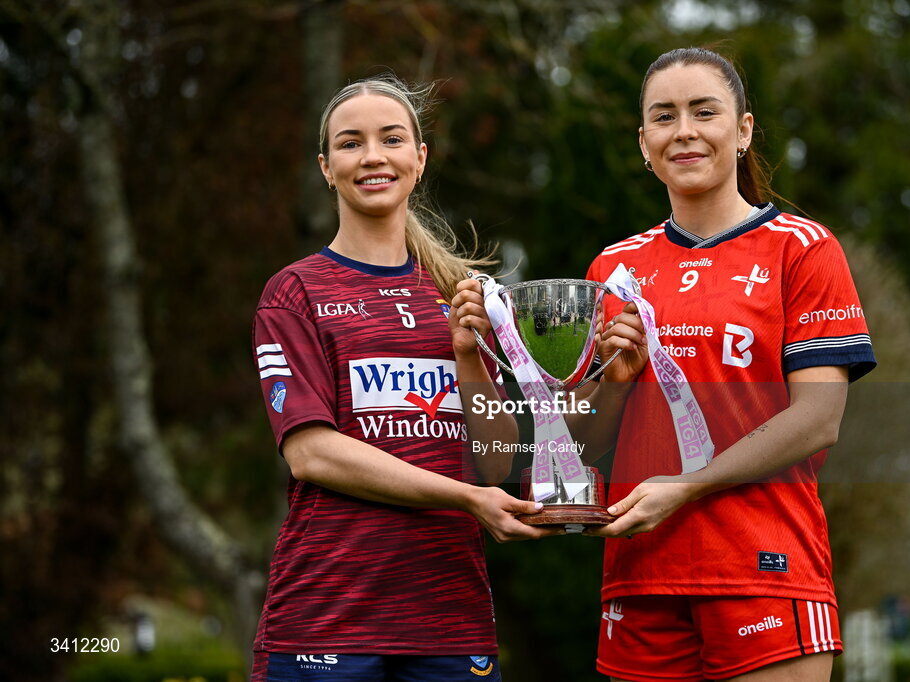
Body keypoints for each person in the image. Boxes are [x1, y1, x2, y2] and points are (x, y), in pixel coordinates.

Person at [576, 47, 877, 681]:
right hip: (640, 575)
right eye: (664, 116)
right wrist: (617, 385)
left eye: (703, 112)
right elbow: (588, 446)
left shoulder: (802, 248)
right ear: (643, 142)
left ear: (741, 131)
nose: (683, 131)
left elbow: (819, 419)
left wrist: (687, 487)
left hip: (765, 569)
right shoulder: (612, 269)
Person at [249, 75, 548, 682]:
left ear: (420, 158)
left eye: (391, 139)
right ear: (327, 167)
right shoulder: (295, 291)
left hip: (451, 619)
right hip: (327, 617)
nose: (373, 157)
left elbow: (495, 466)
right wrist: (465, 498)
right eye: (351, 143)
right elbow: (311, 454)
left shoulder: (461, 294)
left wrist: (467, 356)